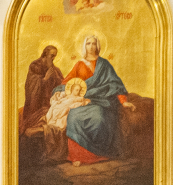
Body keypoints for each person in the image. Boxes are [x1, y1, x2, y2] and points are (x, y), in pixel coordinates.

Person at [60, 35, 130, 163]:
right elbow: (67, 82)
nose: (91, 46)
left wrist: (123, 101)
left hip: (102, 100)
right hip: (82, 101)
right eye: (88, 43)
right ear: (84, 46)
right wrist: (62, 92)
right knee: (73, 117)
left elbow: (114, 84)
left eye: (93, 43)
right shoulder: (79, 64)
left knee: (98, 117)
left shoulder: (104, 64)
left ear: (97, 46)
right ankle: (77, 156)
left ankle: (98, 154)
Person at [20, 45, 62, 136]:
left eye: (55, 56)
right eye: (52, 56)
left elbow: (60, 83)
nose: (53, 58)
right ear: (45, 54)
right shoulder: (35, 66)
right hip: (36, 105)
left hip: (49, 102)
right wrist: (44, 79)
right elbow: (31, 86)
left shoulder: (54, 70)